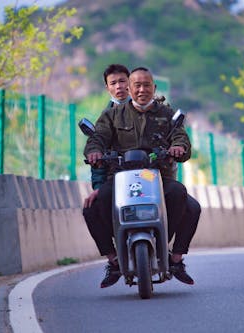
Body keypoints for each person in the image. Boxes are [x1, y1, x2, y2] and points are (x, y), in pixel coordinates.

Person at [82, 65, 200, 288]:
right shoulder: (112, 115)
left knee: (185, 200)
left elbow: (180, 138)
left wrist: (178, 148)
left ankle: (173, 257)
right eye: (137, 85)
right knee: (93, 207)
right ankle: (114, 259)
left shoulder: (166, 114)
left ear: (154, 88)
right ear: (130, 87)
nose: (142, 90)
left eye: (147, 85)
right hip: (120, 179)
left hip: (155, 177)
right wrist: (94, 152)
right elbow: (97, 138)